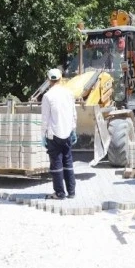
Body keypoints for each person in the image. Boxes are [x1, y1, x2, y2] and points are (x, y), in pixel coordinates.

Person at [41, 68, 77, 199]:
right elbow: (74, 113)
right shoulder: (69, 93)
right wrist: (73, 130)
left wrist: (42, 135)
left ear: (49, 80)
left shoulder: (47, 96)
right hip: (67, 133)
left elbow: (45, 118)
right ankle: (71, 192)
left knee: (56, 163)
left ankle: (59, 193)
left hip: (54, 135)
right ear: (61, 78)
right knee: (68, 162)